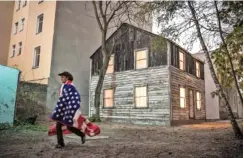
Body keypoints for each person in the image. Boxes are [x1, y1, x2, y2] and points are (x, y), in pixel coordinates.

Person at [51, 71, 86, 148]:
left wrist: (69, 108)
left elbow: (75, 97)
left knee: (68, 126)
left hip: (69, 109)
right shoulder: (64, 85)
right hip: (64, 109)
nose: (61, 78)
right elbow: (63, 97)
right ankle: (61, 143)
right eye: (61, 77)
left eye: (62, 77)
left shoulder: (70, 86)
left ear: (67, 77)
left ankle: (81, 135)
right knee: (62, 125)